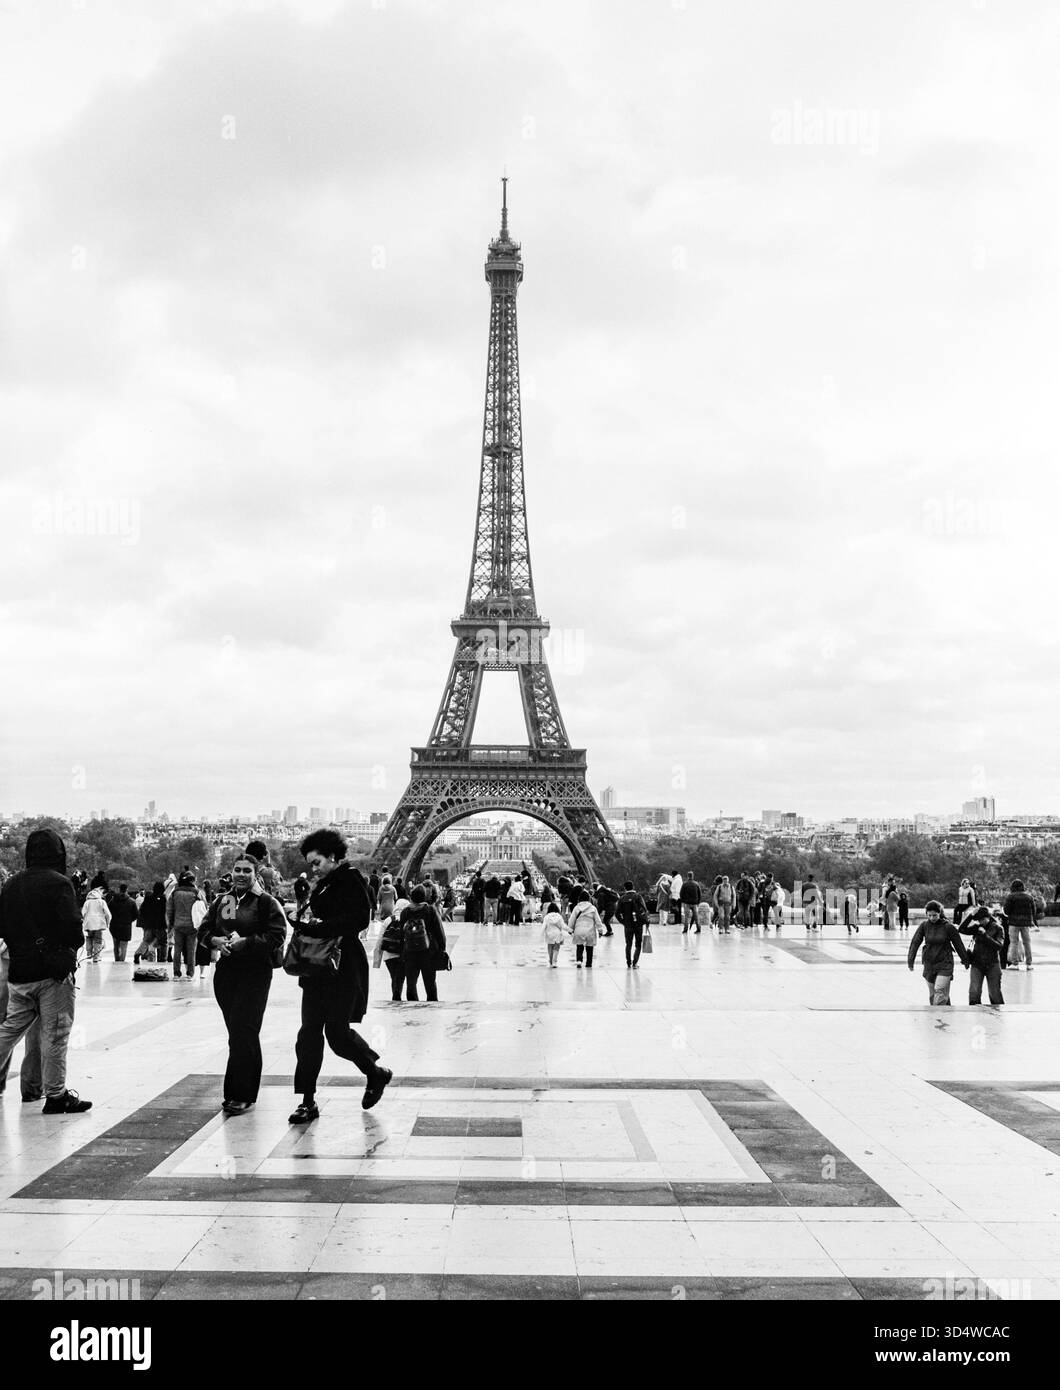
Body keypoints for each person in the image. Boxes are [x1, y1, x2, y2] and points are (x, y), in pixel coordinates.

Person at [289, 830, 392, 1124]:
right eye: (311, 864)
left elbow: (360, 918)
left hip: (343, 966)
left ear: (332, 856)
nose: (313, 868)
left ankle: (374, 1072)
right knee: (308, 1033)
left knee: (335, 1033)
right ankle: (307, 1100)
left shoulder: (351, 878)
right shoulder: (325, 882)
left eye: (316, 862)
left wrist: (320, 928)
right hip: (318, 966)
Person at [0, 828, 91, 1113]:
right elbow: (74, 930)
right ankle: (56, 1094)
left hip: (19, 973)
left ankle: (51, 1092)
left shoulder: (11, 885)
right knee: (56, 1033)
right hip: (51, 976)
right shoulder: (60, 884)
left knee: (10, 1030)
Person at [198, 855, 286, 1115]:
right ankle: (237, 1091)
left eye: (247, 870)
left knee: (244, 1030)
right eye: (237, 869)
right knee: (237, 1033)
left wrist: (244, 943)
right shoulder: (227, 901)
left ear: (255, 873)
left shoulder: (265, 902)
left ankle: (242, 1093)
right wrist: (216, 940)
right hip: (228, 973)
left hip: (255, 973)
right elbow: (210, 929)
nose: (241, 874)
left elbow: (277, 936)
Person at [0, 940, 42, 1102]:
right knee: (37, 1023)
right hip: (39, 956)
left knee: (7, 1022)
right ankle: (32, 1086)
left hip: (11, 952)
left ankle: (32, 1085)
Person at [907, 900, 970, 1005]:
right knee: (934, 994)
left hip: (945, 963)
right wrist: (910, 960)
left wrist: (965, 960)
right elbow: (915, 942)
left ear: (940, 913)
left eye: (934, 915)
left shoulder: (948, 927)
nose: (932, 918)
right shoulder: (924, 926)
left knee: (939, 991)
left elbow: (958, 944)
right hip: (929, 964)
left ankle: (937, 1018)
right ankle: (944, 1015)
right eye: (929, 915)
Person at [399, 886, 447, 1001]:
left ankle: (413, 1007)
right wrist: (442, 948)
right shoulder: (430, 910)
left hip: (410, 952)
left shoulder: (405, 912)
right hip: (429, 952)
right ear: (425, 897)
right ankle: (431, 1008)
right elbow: (439, 931)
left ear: (411, 897)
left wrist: (402, 951)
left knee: (411, 984)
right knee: (430, 984)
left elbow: (401, 933)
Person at [958, 907, 1005, 1007]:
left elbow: (998, 946)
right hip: (977, 963)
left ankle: (997, 1013)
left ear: (988, 917)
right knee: (974, 991)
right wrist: (970, 916)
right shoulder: (976, 927)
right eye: (979, 920)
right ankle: (975, 1012)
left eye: (982, 919)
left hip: (992, 964)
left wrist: (985, 935)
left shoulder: (998, 928)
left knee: (995, 992)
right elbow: (961, 929)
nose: (981, 922)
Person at [167, 871, 204, 980]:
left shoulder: (175, 893)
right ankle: (190, 974)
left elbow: (169, 910)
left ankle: (176, 974)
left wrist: (170, 926)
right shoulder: (196, 892)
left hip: (178, 925)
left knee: (177, 950)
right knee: (191, 950)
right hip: (192, 925)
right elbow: (203, 906)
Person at [372, 897, 409, 1001]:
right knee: (400, 978)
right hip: (403, 954)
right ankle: (396, 997)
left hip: (389, 955)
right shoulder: (408, 919)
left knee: (394, 977)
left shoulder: (388, 920)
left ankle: (396, 996)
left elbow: (380, 939)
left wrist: (377, 961)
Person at [1002, 879, 1036, 971]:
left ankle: (1015, 963)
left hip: (1014, 923)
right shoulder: (1029, 897)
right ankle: (1029, 964)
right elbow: (1034, 911)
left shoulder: (1011, 897)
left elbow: (1006, 911)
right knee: (1027, 943)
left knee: (1014, 943)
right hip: (1026, 924)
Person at [616, 880, 649, 967]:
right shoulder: (638, 897)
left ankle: (628, 962)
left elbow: (617, 913)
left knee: (628, 944)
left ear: (625, 888)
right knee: (638, 944)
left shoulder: (622, 898)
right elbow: (644, 910)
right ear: (633, 887)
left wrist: (623, 922)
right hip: (638, 924)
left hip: (628, 925)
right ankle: (635, 962)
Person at [568, 887, 603, 968]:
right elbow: (598, 921)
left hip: (579, 930)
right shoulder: (593, 908)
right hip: (590, 930)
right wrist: (600, 931)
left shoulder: (577, 908)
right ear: (588, 899)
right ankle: (588, 963)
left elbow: (572, 919)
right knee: (589, 947)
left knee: (579, 946)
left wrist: (570, 929)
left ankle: (579, 960)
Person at [136, 882, 168, 963]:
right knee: (163, 943)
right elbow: (166, 911)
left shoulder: (148, 898)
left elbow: (142, 910)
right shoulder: (163, 899)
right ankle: (163, 959)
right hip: (160, 924)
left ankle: (138, 953)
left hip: (149, 924)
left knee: (146, 941)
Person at [82, 873, 110, 963]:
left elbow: (83, 913)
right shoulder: (101, 901)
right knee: (98, 940)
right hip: (99, 924)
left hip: (89, 924)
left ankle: (89, 954)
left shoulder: (87, 902)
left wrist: (84, 921)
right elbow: (108, 914)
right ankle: (96, 957)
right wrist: (107, 923)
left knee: (89, 938)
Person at [107, 883, 138, 962]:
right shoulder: (132, 902)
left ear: (119, 889)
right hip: (126, 926)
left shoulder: (113, 901)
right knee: (124, 946)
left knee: (116, 945)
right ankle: (122, 961)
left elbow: (108, 912)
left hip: (114, 925)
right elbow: (136, 914)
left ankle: (116, 960)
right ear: (127, 890)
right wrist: (129, 920)